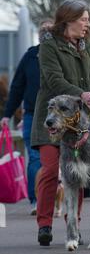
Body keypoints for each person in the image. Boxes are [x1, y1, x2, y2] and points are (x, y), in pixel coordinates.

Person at [31, 0, 90, 246]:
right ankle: (44, 224)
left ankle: (74, 224)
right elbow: (53, 79)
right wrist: (80, 94)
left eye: (87, 19)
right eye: (83, 19)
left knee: (76, 172)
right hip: (51, 117)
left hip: (78, 120)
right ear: (68, 19)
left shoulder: (88, 46)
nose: (87, 24)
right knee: (50, 170)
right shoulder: (49, 46)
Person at [0, 19, 54, 215]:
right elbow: (17, 87)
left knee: (56, 158)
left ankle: (54, 199)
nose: (46, 33)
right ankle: (36, 200)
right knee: (34, 158)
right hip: (32, 114)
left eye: (50, 30)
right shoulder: (30, 56)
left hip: (58, 115)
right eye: (43, 30)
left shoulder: (62, 56)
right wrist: (7, 115)